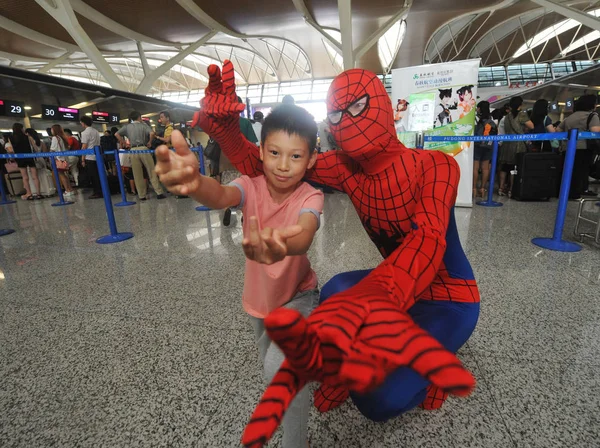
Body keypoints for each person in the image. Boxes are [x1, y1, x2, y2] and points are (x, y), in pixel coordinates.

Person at [195, 61, 479, 446]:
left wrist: (375, 298)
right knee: (332, 291)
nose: (346, 121)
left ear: (379, 102)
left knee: (380, 400)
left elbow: (427, 241)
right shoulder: (347, 169)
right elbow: (274, 169)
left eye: (358, 107)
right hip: (398, 288)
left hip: (450, 299)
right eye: (336, 113)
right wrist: (228, 130)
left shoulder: (435, 166)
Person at [156, 105, 324, 448]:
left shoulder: (311, 195)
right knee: (270, 364)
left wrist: (284, 246)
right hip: (259, 300)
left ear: (311, 160)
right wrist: (195, 182)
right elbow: (220, 196)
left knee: (282, 367)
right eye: (275, 153)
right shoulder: (250, 184)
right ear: (261, 151)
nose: (282, 165)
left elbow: (306, 232)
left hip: (298, 296)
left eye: (295, 156)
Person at [221, 97, 259, 226]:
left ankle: (226, 208)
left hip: (225, 159)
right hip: (241, 161)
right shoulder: (245, 122)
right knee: (244, 187)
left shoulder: (223, 123)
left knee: (227, 186)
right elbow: (252, 143)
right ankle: (244, 213)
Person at [115, 111, 166, 201]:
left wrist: (123, 142)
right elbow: (151, 133)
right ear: (139, 117)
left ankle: (141, 195)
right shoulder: (144, 125)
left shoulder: (127, 126)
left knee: (137, 174)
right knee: (151, 171)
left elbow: (116, 134)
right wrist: (149, 142)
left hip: (133, 150)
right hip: (143, 149)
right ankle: (159, 193)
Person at [558, 94, 600, 199]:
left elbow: (558, 130)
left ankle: (567, 193)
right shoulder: (592, 116)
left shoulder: (570, 117)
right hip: (583, 148)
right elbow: (595, 131)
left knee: (569, 171)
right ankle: (576, 193)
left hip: (567, 148)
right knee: (581, 171)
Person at [498, 96, 534, 197]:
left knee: (504, 167)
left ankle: (501, 188)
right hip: (517, 144)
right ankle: (511, 190)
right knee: (514, 168)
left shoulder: (507, 116)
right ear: (520, 105)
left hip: (507, 143)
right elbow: (532, 126)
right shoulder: (522, 115)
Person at [7, 123, 41, 200]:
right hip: (29, 157)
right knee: (35, 176)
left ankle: (29, 193)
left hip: (20, 158)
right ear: (21, 128)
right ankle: (38, 193)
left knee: (25, 177)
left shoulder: (11, 138)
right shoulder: (28, 137)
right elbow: (35, 148)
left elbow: (12, 150)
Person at [473, 101, 497, 198]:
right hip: (488, 146)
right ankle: (482, 189)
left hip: (477, 146)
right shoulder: (492, 121)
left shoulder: (476, 119)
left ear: (479, 108)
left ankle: (474, 188)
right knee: (485, 168)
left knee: (475, 167)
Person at [79, 116, 104, 199]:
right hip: (98, 156)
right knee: (98, 175)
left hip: (89, 157)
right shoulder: (96, 131)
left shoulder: (85, 133)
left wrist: (82, 159)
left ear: (83, 123)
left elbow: (84, 146)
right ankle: (102, 190)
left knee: (93, 176)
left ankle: (97, 192)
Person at [50, 125, 75, 196]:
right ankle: (70, 189)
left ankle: (67, 190)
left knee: (61, 175)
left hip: (59, 159)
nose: (51, 131)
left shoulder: (55, 138)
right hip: (65, 159)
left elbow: (52, 149)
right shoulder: (63, 137)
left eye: (52, 129)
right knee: (65, 175)